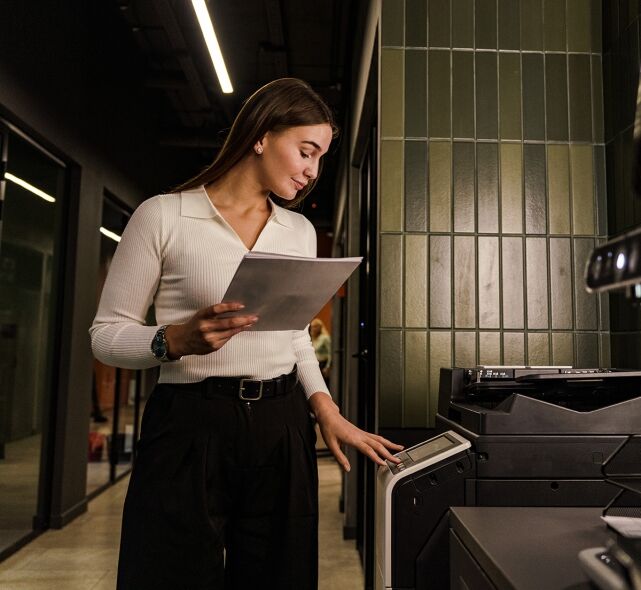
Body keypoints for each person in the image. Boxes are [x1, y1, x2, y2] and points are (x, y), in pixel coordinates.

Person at [89, 78, 402, 590]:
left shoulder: (297, 231)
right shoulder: (164, 216)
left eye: (321, 158)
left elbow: (295, 335)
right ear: (261, 135)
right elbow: (105, 335)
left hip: (280, 428)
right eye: (306, 151)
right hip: (190, 424)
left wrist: (325, 409)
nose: (312, 171)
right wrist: (173, 340)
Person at [310, 317, 331, 382]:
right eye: (312, 327)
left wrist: (328, 367)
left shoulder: (325, 338)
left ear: (320, 327)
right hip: (315, 365)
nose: (313, 328)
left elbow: (330, 353)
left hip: (323, 365)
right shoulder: (312, 338)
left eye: (316, 326)